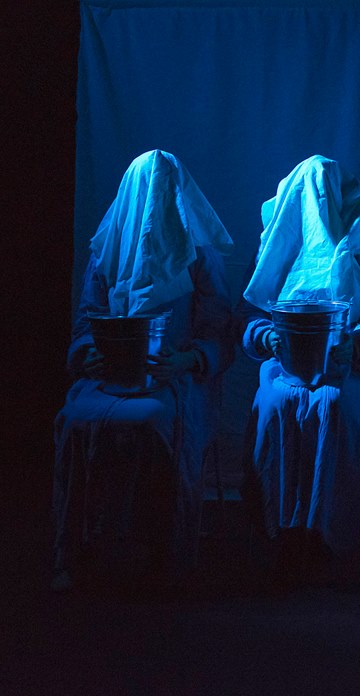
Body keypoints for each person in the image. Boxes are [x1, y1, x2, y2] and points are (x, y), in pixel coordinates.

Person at [53, 150, 235, 591]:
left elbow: (219, 328)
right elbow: (87, 319)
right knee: (74, 420)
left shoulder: (200, 254)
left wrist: (188, 359)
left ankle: (159, 549)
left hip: (175, 377)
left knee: (152, 420)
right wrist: (88, 354)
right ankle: (77, 548)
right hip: (107, 376)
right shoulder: (108, 250)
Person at [238, 155, 360, 588]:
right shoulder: (275, 245)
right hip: (283, 370)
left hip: (349, 371)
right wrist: (267, 337)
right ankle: (283, 529)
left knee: (334, 406)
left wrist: (357, 343)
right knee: (276, 408)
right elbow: (250, 313)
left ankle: (330, 533)